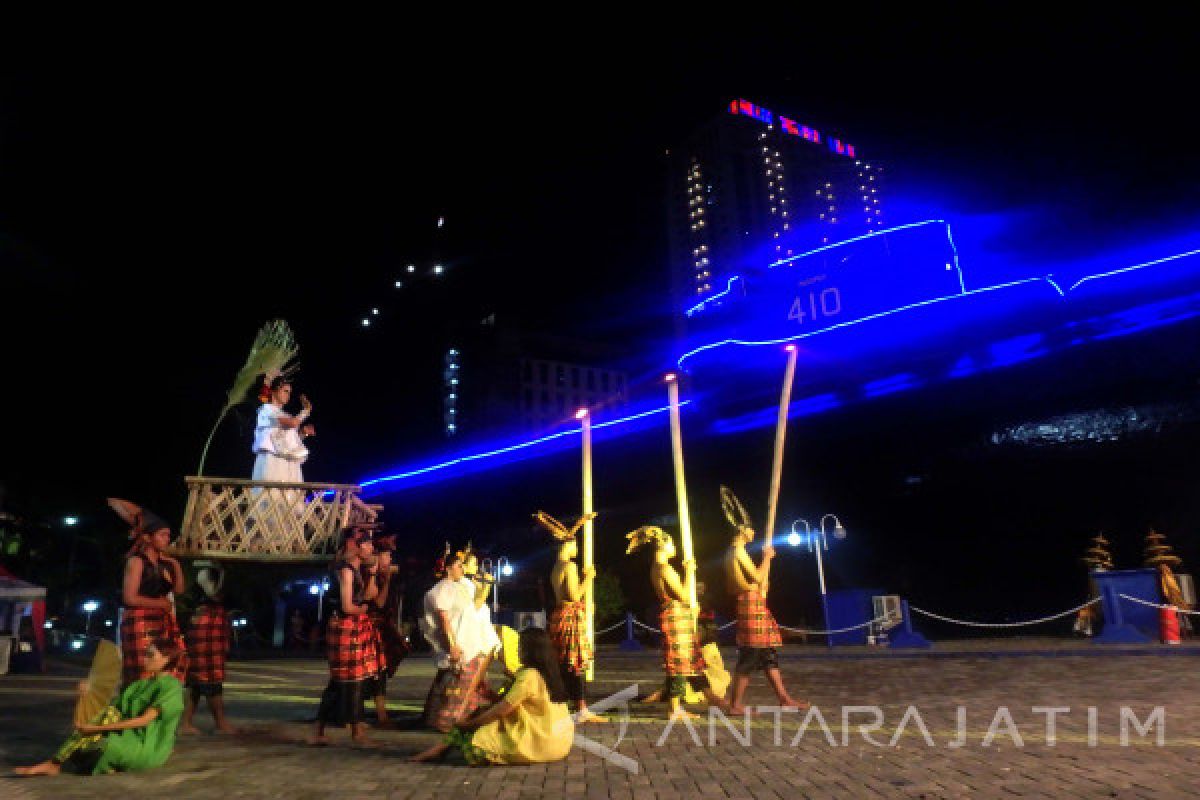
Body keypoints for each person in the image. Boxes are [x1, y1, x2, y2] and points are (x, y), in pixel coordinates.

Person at [13, 638, 185, 776]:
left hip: (148, 745)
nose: (145, 659)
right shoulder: (139, 685)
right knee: (99, 728)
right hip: (127, 736)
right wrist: (86, 695)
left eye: (151, 655)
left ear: (167, 659)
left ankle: (55, 763)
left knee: (103, 745)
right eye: (146, 654)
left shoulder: (171, 687)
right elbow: (111, 710)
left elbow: (143, 721)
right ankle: (56, 763)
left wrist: (97, 728)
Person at [409, 627, 574, 765]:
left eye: (520, 647)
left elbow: (501, 710)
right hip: (560, 742)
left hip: (539, 742)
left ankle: (438, 751)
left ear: (531, 651)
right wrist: (489, 695)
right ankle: (438, 750)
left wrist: (470, 724)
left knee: (476, 730)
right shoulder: (550, 673)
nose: (517, 651)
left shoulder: (529, 675)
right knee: (483, 714)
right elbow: (517, 704)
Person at [626, 526, 729, 719]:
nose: (675, 547)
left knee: (685, 660)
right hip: (676, 615)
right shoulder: (664, 568)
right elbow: (684, 596)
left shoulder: (656, 568)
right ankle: (674, 708)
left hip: (673, 614)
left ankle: (704, 697)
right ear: (664, 545)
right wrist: (689, 573)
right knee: (680, 662)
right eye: (672, 543)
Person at [720, 486, 805, 714]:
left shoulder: (732, 553)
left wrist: (759, 584)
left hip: (751, 602)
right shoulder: (738, 552)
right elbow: (756, 577)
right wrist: (766, 559)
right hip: (750, 605)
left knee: (768, 656)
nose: (754, 533)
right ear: (742, 530)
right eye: (751, 529)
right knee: (750, 655)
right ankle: (735, 704)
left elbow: (745, 583)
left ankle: (784, 698)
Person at [419, 544, 501, 732]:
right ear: (448, 569)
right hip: (452, 641)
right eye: (459, 565)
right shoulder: (442, 589)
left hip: (460, 638)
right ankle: (447, 720)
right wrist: (453, 645)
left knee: (452, 679)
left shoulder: (456, 586)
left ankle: (439, 717)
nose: (462, 569)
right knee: (456, 681)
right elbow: (444, 620)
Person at [108, 498, 189, 686]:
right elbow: (129, 597)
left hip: (161, 621)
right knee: (142, 669)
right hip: (139, 621)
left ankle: (157, 707)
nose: (167, 539)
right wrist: (160, 603)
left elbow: (179, 590)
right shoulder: (136, 561)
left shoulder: (164, 564)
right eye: (162, 535)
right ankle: (135, 709)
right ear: (147, 537)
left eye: (168, 535)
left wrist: (176, 565)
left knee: (170, 663)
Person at [534, 510, 606, 722]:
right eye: (576, 545)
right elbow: (574, 595)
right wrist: (589, 578)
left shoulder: (556, 567)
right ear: (568, 545)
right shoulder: (570, 566)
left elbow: (568, 534)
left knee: (563, 661)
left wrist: (581, 522)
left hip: (558, 615)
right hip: (569, 615)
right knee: (575, 661)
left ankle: (565, 704)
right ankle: (582, 709)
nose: (578, 548)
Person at [311, 528, 379, 746]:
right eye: (367, 544)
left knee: (348, 680)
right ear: (356, 547)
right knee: (349, 680)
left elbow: (371, 595)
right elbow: (348, 606)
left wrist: (374, 574)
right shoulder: (346, 570)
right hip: (344, 626)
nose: (371, 548)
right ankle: (356, 733)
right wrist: (364, 611)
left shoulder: (357, 569)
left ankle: (323, 730)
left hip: (353, 627)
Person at [181, 566, 235, 734]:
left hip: (202, 633)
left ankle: (185, 723)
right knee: (212, 683)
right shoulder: (209, 583)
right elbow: (215, 592)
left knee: (196, 685)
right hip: (208, 635)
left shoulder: (199, 596)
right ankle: (220, 724)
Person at [251, 374, 315, 485]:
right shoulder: (266, 410)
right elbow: (293, 423)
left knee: (290, 496)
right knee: (272, 494)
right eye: (285, 391)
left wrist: (303, 433)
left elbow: (287, 442)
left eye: (289, 392)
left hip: (288, 461)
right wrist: (305, 411)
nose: (288, 395)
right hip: (273, 460)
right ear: (273, 391)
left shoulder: (285, 415)